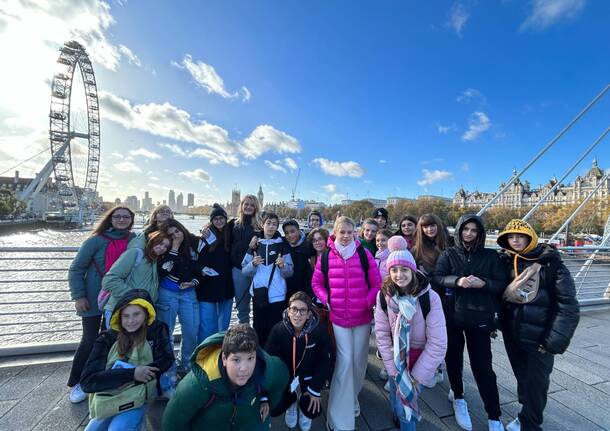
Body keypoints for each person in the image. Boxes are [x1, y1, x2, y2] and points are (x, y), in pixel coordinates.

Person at [496, 219, 580, 431]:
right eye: (511, 237)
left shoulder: (552, 265)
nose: (515, 241)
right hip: (513, 334)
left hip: (539, 338)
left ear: (530, 237)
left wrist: (553, 342)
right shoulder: (505, 261)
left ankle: (531, 425)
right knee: (523, 378)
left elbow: (568, 307)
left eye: (520, 236)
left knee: (536, 384)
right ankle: (525, 415)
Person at [432, 214, 507, 431]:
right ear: (459, 230)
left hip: (480, 318)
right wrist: (457, 281)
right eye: (466, 229)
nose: (469, 234)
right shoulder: (449, 253)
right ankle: (458, 397)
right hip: (453, 316)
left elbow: (501, 284)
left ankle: (494, 415)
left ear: (479, 233)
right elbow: (437, 277)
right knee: (454, 360)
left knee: (483, 367)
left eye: (474, 230)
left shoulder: (490, 256)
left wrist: (483, 283)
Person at [311, 216, 382, 431]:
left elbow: (377, 282)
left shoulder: (363, 253)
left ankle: (351, 397)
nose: (345, 236)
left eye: (349, 232)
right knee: (345, 362)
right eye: (342, 231)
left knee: (359, 362)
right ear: (335, 232)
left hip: (362, 317)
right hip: (339, 318)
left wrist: (366, 301)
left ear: (355, 233)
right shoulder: (326, 256)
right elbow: (316, 283)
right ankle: (338, 418)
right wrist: (328, 299)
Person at [375, 236, 447, 430]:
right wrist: (392, 368)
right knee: (396, 398)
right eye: (394, 270)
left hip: (419, 357)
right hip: (395, 358)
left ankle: (406, 421)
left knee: (406, 405)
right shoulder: (384, 296)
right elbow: (382, 333)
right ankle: (400, 415)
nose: (399, 275)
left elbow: (438, 342)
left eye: (404, 269)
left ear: (413, 270)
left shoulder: (429, 297)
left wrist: (418, 375)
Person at [161, 323, 289, 431]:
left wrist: (267, 400)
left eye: (250, 358)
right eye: (236, 360)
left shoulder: (266, 367)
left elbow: (282, 375)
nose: (244, 368)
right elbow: (171, 423)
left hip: (249, 424)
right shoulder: (196, 386)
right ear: (224, 358)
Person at [67, 206, 135, 403]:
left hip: (120, 299)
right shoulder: (95, 240)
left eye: (126, 216)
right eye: (117, 216)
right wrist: (78, 296)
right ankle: (79, 381)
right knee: (89, 340)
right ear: (110, 218)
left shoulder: (134, 240)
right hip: (93, 298)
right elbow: (76, 270)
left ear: (131, 219)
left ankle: (107, 378)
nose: (121, 219)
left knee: (117, 339)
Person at [81, 289, 174, 431]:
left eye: (136, 314)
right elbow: (87, 382)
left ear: (146, 314)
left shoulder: (157, 330)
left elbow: (166, 359)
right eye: (126, 316)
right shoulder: (106, 338)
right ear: (119, 317)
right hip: (110, 395)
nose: (131, 321)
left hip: (138, 394)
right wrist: (132, 374)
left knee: (118, 428)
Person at [265, 292, 334, 431]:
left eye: (302, 310)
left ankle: (303, 407)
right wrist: (266, 394)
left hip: (309, 376)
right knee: (275, 407)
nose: (298, 314)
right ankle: (291, 403)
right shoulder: (278, 330)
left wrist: (315, 388)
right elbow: (269, 361)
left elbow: (326, 360)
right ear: (288, 311)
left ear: (309, 313)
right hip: (287, 377)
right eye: (294, 309)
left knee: (312, 409)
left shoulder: (318, 331)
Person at [156, 219, 199, 388]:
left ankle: (185, 365)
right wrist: (173, 247)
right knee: (167, 330)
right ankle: (169, 368)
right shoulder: (164, 246)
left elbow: (199, 267)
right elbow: (164, 269)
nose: (176, 235)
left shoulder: (193, 242)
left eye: (177, 231)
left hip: (188, 293)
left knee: (191, 329)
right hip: (168, 293)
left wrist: (194, 281)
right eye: (171, 233)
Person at [412, 213, 452, 388]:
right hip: (428, 298)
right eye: (425, 226)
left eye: (432, 225)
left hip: (450, 297)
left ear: (438, 225)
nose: (429, 229)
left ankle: (440, 370)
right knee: (429, 335)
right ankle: (433, 369)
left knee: (444, 337)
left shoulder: (451, 244)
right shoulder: (417, 250)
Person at [242, 212, 294, 347]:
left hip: (277, 295)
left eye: (275, 224)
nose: (271, 227)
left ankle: (274, 360)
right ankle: (259, 358)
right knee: (259, 329)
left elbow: (289, 272)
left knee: (276, 330)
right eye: (268, 223)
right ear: (262, 225)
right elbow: (244, 270)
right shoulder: (254, 245)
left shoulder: (282, 245)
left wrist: (283, 266)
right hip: (259, 294)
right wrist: (253, 264)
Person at [102, 230, 171, 326]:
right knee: (120, 341)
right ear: (152, 240)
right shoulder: (135, 253)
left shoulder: (154, 259)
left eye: (166, 247)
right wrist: (135, 296)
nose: (163, 248)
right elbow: (109, 280)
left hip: (140, 311)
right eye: (160, 243)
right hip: (122, 311)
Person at [195, 203, 234, 342]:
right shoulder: (205, 236)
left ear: (225, 219)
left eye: (221, 218)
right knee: (207, 324)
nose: (219, 221)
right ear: (211, 221)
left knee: (223, 325)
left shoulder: (231, 234)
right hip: (207, 285)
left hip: (226, 285)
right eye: (215, 218)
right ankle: (203, 353)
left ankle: (220, 352)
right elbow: (197, 259)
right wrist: (202, 270)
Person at [230, 195, 261, 324]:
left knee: (259, 306)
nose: (249, 207)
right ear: (241, 206)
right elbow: (217, 229)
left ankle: (259, 337)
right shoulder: (233, 224)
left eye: (252, 205)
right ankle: (244, 337)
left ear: (256, 208)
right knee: (242, 308)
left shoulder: (260, 227)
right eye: (246, 204)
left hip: (256, 270)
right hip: (239, 270)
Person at [283, 219, 314, 299]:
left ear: (299, 231)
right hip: (287, 291)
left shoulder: (309, 245)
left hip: (305, 291)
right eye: (286, 233)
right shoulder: (283, 244)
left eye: (292, 231)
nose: (290, 235)